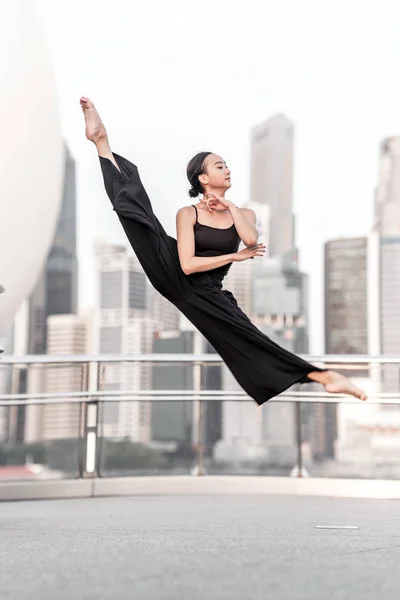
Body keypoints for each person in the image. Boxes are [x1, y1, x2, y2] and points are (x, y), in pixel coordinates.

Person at [80, 97, 367, 405]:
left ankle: (324, 378)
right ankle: (101, 142)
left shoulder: (244, 214)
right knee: (141, 219)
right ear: (203, 178)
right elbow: (187, 265)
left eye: (227, 165)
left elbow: (250, 239)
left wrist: (229, 206)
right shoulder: (187, 214)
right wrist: (233, 257)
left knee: (248, 337)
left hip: (208, 291)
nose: (227, 169)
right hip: (175, 272)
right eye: (220, 166)